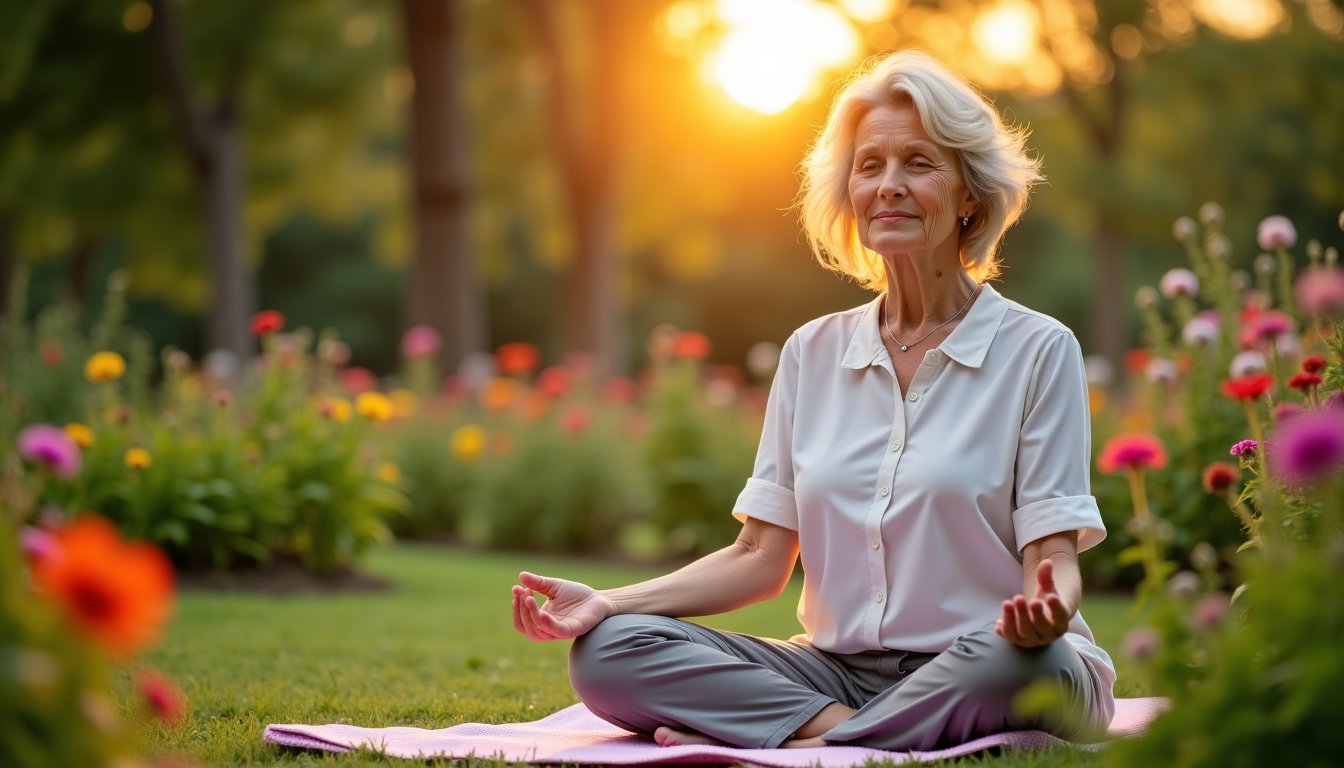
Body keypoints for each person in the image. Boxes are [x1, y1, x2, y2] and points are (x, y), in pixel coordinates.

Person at [508, 49, 1115, 752]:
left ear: (969, 193)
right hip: (835, 673)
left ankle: (804, 742)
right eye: (869, 166)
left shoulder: (1039, 350)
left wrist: (1051, 611)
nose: (888, 185)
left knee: (1022, 664)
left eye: (918, 163)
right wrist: (609, 602)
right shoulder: (811, 353)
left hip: (995, 661)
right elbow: (758, 556)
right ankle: (853, 739)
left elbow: (1053, 554)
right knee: (610, 651)